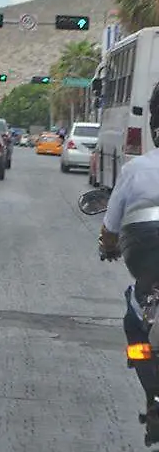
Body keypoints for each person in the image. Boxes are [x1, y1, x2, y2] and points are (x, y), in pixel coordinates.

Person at [101, 80, 159, 419]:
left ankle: (153, 398)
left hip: (146, 262)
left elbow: (110, 226)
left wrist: (108, 247)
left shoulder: (136, 169)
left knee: (135, 322)